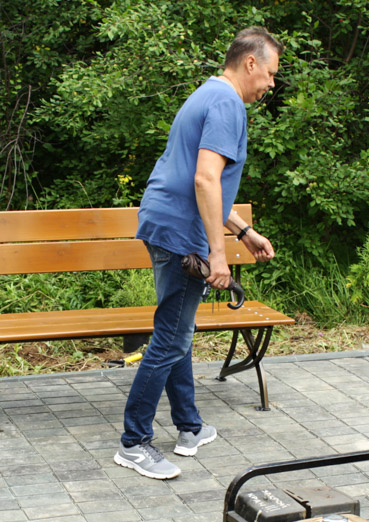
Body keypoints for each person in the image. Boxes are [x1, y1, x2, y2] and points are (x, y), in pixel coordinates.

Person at [114, 27, 281, 480]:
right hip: (182, 236)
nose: (269, 85)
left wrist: (242, 230)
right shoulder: (228, 103)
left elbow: (196, 179)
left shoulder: (206, 93)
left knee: (177, 331)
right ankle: (134, 442)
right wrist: (218, 253)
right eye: (269, 74)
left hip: (164, 222)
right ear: (250, 63)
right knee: (170, 337)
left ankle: (189, 426)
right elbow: (206, 180)